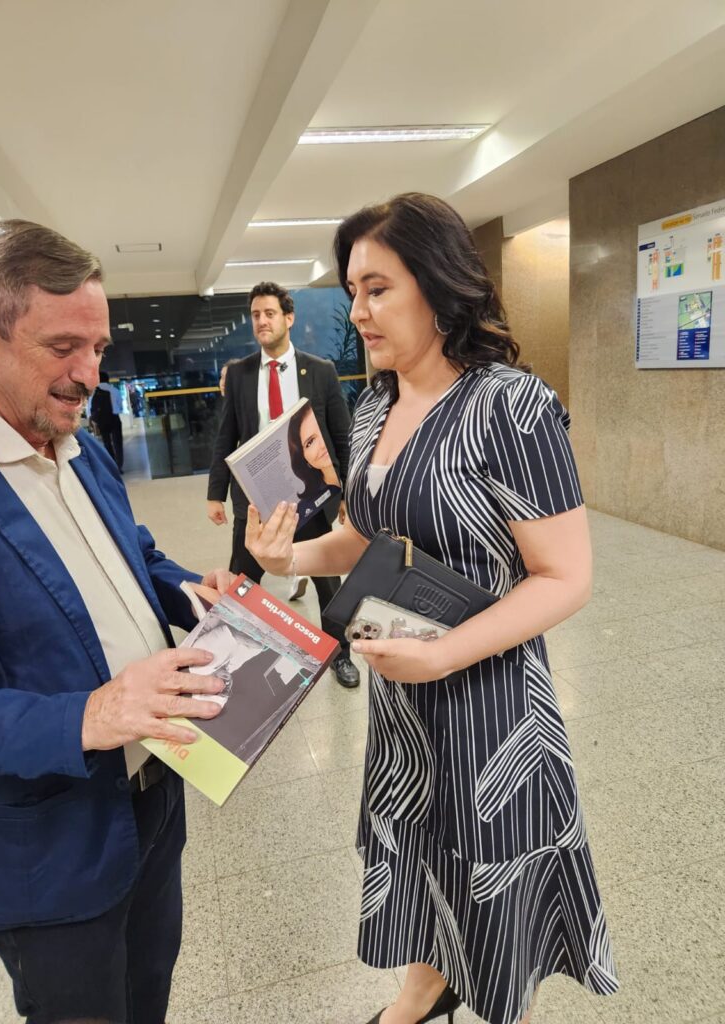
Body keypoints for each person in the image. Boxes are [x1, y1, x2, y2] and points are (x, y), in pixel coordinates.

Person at [232, 194, 619, 1024]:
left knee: (484, 863)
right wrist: (288, 557)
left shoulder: (511, 407)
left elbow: (565, 576)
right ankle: (424, 986)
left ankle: (458, 995)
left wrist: (446, 655)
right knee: (414, 847)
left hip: (489, 700)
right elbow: (364, 534)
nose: (359, 311)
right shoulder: (375, 404)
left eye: (378, 288)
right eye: (353, 292)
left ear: (437, 287)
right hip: (402, 691)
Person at [0, 219, 231, 1024]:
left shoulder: (75, 437)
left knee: (148, 995)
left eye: (101, 348)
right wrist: (90, 713)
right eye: (61, 347)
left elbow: (134, 555)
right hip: (50, 847)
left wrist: (191, 594)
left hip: (152, 800)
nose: (89, 375)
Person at [206, 281, 360, 688]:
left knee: (328, 577)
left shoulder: (320, 371)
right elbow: (227, 436)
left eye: (269, 313)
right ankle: (234, 658)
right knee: (244, 578)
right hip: (256, 499)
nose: (262, 321)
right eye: (256, 314)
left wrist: (344, 493)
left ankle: (339, 652)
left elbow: (341, 436)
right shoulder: (239, 375)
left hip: (308, 493)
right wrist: (214, 493)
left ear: (288, 318)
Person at [286, 401, 342, 525]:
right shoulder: (305, 508)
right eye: (310, 442)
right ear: (303, 457)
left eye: (322, 430)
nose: (322, 444)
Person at [89, 367, 124, 469]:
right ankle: (119, 465)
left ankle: (111, 465)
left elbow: (91, 408)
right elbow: (120, 406)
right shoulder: (115, 390)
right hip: (114, 418)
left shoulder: (94, 393)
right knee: (118, 442)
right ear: (108, 379)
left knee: (107, 443)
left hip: (102, 420)